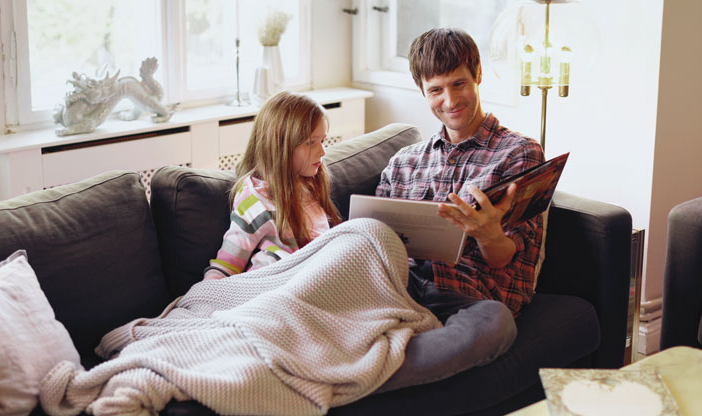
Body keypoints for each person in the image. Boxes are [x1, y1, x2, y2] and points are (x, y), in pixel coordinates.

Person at [374, 28, 545, 390]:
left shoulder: (519, 154)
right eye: (436, 90)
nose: (450, 101)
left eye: (459, 84)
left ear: (478, 74)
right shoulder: (403, 162)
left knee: (495, 323)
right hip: (395, 288)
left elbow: (505, 260)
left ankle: (370, 373)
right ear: (422, 91)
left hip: (463, 298)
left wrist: (488, 234)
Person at [204, 91, 342, 280]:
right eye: (310, 143)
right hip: (276, 285)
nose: (322, 151)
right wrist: (207, 291)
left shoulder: (312, 183)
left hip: (316, 279)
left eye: (323, 140)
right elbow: (228, 263)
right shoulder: (255, 198)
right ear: (279, 146)